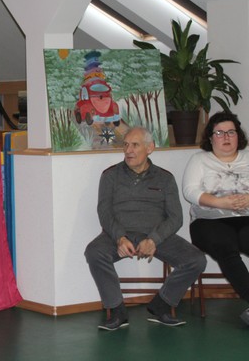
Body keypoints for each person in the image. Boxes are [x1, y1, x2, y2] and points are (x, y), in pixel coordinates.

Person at [84, 126, 206, 330]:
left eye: (135, 145)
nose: (128, 150)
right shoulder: (110, 175)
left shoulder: (165, 178)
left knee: (196, 260)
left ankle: (161, 305)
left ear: (150, 148)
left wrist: (154, 239)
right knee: (94, 252)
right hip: (120, 234)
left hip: (155, 235)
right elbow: (104, 212)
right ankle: (117, 310)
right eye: (125, 145)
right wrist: (119, 237)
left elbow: (176, 218)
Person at [182, 110, 249, 326]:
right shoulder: (199, 160)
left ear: (238, 135)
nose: (226, 137)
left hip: (246, 217)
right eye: (219, 132)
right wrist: (221, 202)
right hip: (208, 220)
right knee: (225, 246)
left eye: (231, 132)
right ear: (210, 138)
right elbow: (190, 191)